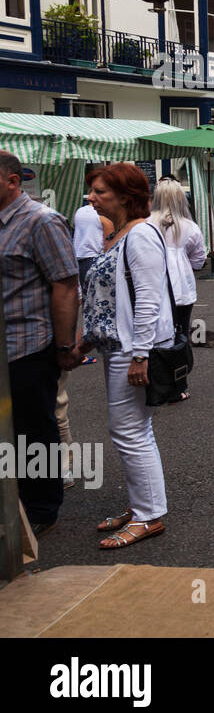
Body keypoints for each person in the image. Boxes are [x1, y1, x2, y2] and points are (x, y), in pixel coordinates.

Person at [74, 162, 175, 549]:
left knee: (130, 432)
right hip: (117, 347)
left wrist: (140, 355)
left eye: (100, 191)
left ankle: (149, 515)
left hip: (131, 349)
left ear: (125, 196)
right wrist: (88, 341)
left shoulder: (140, 235)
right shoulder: (120, 234)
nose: (91, 197)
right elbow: (109, 299)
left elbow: (149, 300)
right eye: (92, 191)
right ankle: (143, 506)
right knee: (133, 430)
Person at [0, 150, 79, 537]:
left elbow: (65, 283)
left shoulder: (41, 221)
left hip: (28, 344)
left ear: (12, 181)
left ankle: (42, 508)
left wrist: (64, 347)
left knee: (34, 428)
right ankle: (11, 497)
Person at [148, 178, 206, 402]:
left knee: (153, 337)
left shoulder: (146, 224)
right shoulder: (189, 227)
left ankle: (155, 380)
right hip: (181, 289)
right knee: (179, 337)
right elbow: (199, 260)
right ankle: (179, 383)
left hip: (152, 288)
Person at [74, 169, 112, 289]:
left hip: (79, 259)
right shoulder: (104, 217)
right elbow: (109, 247)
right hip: (96, 260)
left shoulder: (80, 211)